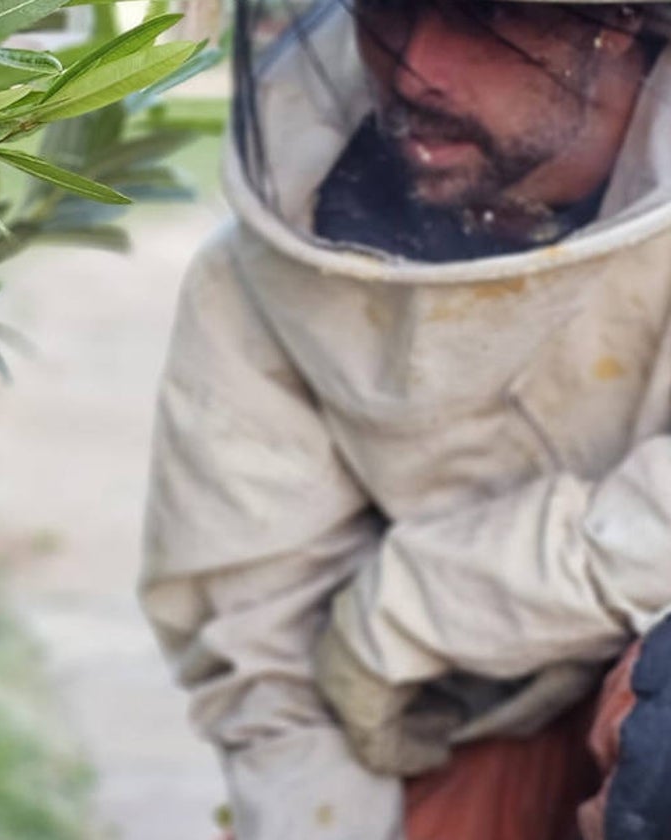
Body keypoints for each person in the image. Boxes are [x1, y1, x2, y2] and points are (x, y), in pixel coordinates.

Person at [140, 0, 671, 837]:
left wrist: (409, 606)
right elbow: (264, 652)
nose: (416, 64)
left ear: (620, 27)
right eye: (386, 6)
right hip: (458, 731)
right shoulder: (254, 279)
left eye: (480, 16)